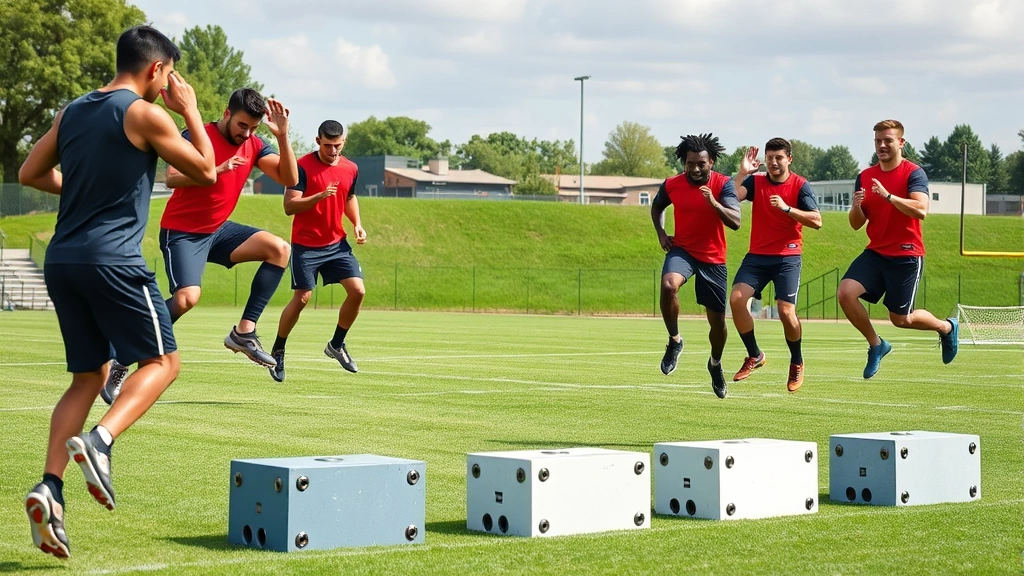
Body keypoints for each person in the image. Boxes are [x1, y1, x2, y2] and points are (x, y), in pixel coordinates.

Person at [17, 26, 217, 558]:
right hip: (113, 260)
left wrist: (83, 187)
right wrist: (191, 110)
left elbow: (30, 172)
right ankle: (100, 443)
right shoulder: (145, 112)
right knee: (163, 363)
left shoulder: (73, 110)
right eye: (170, 74)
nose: (170, 84)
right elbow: (205, 170)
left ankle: (50, 487)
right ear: (156, 69)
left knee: (90, 376)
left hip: (63, 261)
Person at [101, 87, 299, 403]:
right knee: (186, 298)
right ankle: (121, 355)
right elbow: (172, 177)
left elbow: (290, 177)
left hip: (218, 231)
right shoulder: (197, 134)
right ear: (226, 114)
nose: (245, 133)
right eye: (241, 125)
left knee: (279, 249)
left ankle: (243, 332)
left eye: (252, 128)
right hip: (183, 232)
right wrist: (214, 171)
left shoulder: (255, 144)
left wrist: (284, 137)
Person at [837, 119, 958, 379]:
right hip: (876, 253)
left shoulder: (914, 173)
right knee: (845, 293)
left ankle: (946, 328)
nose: (882, 145)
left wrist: (889, 196)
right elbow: (856, 224)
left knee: (900, 319)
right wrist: (857, 207)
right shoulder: (865, 176)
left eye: (888, 140)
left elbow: (921, 209)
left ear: (901, 143)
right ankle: (876, 345)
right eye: (878, 141)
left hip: (906, 255)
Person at [269, 120, 366, 382]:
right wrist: (318, 197)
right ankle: (278, 350)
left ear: (343, 143)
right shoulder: (301, 166)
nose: (333, 151)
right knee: (302, 298)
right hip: (306, 245)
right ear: (317, 141)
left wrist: (357, 224)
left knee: (358, 291)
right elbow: (290, 206)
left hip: (336, 244)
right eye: (327, 146)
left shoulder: (351, 168)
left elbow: (348, 197)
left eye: (337, 146)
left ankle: (337, 344)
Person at [651, 133, 741, 399]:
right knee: (669, 285)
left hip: (713, 259)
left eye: (701, 163)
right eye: (690, 163)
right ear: (684, 163)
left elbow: (736, 221)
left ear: (711, 162)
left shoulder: (724, 185)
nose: (696, 168)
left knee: (717, 325)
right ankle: (675, 341)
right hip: (683, 250)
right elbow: (656, 208)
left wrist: (713, 202)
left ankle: (715, 363)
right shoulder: (672, 185)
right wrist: (661, 233)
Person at [729, 139, 822, 392]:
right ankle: (754, 355)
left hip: (787, 257)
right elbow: (730, 197)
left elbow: (816, 220)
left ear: (789, 159)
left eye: (778, 157)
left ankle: (797, 361)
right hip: (757, 256)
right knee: (737, 299)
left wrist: (787, 208)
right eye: (769, 157)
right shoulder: (756, 181)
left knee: (785, 311)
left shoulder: (800, 185)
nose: (773, 162)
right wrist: (742, 173)